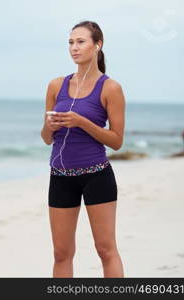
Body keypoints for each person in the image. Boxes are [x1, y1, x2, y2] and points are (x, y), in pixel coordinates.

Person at [40, 20, 125, 278]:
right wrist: (50, 126)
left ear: (97, 45)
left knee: (105, 249)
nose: (74, 48)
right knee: (61, 254)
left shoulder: (111, 88)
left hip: (96, 176)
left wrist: (81, 122)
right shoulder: (56, 85)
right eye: (70, 42)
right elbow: (45, 138)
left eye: (80, 42)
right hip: (61, 177)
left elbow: (116, 141)